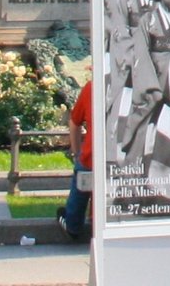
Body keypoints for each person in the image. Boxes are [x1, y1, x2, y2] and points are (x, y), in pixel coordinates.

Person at [58, 79, 94, 240]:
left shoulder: (91, 88)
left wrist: (76, 151)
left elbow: (74, 122)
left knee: (81, 180)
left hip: (90, 157)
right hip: (123, 160)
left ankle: (72, 224)